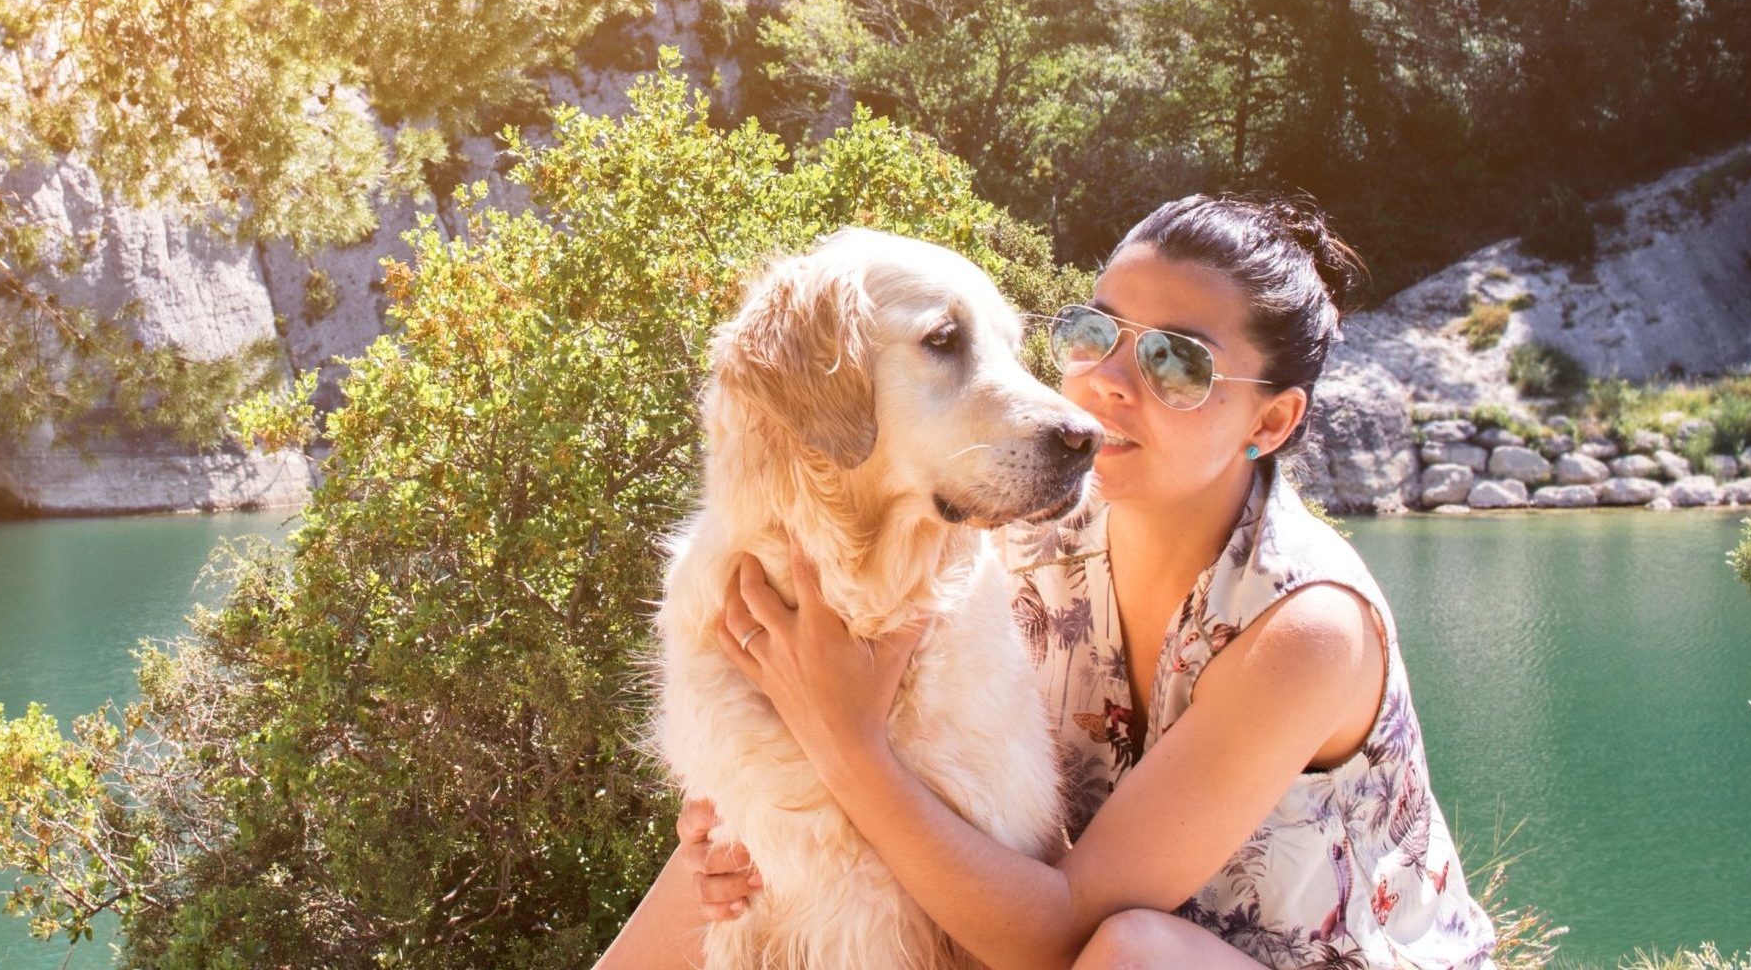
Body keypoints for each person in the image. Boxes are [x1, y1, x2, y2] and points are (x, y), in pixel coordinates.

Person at [595, 194, 1497, 970]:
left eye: (1174, 363)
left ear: (1271, 420)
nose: (1099, 386)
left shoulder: (1305, 628)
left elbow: (1059, 935)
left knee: (1132, 954)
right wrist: (747, 834)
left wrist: (846, 742)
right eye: (1093, 334)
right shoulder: (1022, 537)